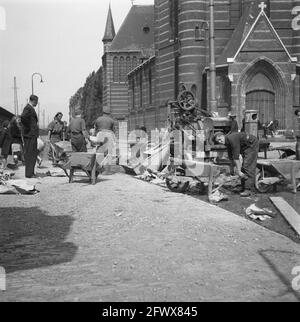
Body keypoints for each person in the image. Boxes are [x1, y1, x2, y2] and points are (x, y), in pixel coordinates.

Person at [213, 131, 259, 197]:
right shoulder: (227, 142)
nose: (220, 141)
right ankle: (243, 187)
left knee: (248, 166)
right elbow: (230, 156)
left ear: (223, 136)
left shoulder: (232, 139)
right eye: (218, 141)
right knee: (244, 166)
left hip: (251, 144)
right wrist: (231, 169)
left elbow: (236, 157)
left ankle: (249, 189)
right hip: (245, 146)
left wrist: (239, 171)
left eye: (220, 139)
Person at [20, 95, 39, 178]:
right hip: (29, 135)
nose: (37, 103)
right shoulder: (28, 108)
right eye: (36, 101)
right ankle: (29, 174)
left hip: (32, 135)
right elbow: (23, 117)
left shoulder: (30, 108)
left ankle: (31, 172)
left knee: (33, 153)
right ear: (33, 100)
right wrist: (29, 128)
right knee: (30, 154)